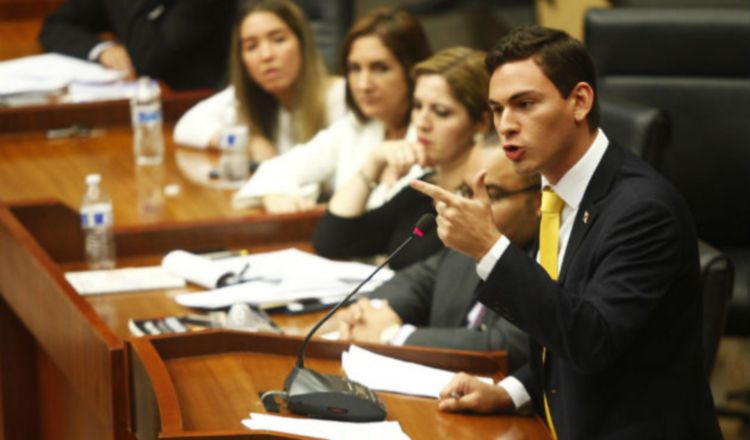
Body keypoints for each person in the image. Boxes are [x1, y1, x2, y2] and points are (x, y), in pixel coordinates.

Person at [412, 26, 722, 439]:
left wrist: (489, 247)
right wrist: (509, 391)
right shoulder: (556, 190)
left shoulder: (644, 210)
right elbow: (557, 332)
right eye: (498, 108)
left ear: (579, 101)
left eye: (524, 104)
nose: (506, 125)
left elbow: (590, 341)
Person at [334, 143, 539, 372]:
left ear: (539, 201)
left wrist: (393, 336)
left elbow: (508, 346)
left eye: (489, 194)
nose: (468, 207)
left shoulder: (549, 259)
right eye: (465, 191)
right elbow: (415, 282)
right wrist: (367, 314)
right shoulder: (468, 245)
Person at [232, 7, 431, 213]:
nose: (363, 85)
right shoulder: (356, 126)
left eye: (380, 68)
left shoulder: (433, 135)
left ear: (412, 70)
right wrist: (274, 195)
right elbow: (274, 170)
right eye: (355, 69)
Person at [312, 47, 490, 270]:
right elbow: (332, 242)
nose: (422, 123)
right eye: (417, 106)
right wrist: (374, 161)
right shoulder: (425, 189)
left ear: (481, 123)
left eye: (441, 112)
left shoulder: (484, 205)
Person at [173, 0, 346, 161]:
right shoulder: (246, 95)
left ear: (302, 44)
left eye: (278, 40)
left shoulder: (341, 98)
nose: (266, 55)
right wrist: (247, 142)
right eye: (251, 46)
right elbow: (187, 126)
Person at [37, 0, 234, 90]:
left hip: (204, 104)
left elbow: (148, 59)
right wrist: (103, 50)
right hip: (144, 109)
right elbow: (54, 26)